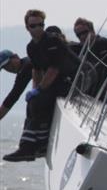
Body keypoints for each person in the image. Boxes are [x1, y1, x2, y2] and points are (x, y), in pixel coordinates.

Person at [3, 10, 77, 162]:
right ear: (27, 27)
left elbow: (53, 70)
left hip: (74, 79)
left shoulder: (52, 42)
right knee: (34, 102)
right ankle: (35, 146)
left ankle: (29, 147)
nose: (37, 28)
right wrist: (35, 90)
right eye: (33, 25)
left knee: (38, 101)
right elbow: (37, 71)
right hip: (57, 81)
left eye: (40, 25)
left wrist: (39, 91)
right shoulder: (31, 47)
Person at [73, 17, 107, 103]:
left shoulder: (105, 44)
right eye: (78, 35)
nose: (82, 36)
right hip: (93, 98)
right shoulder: (82, 50)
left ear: (92, 31)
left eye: (84, 32)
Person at [0, 50, 33, 120]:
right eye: (5, 67)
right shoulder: (25, 63)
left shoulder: (26, 66)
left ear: (16, 56)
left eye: (9, 63)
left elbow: (13, 96)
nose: (9, 68)